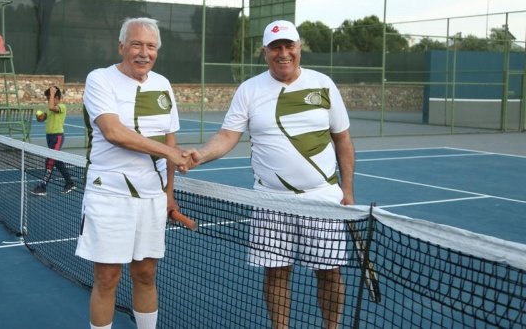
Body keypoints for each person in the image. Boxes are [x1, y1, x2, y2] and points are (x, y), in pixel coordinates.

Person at [185, 20, 355, 329]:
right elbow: (227, 136)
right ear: (265, 52)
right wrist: (201, 155)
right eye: (276, 47)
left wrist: (348, 191)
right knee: (276, 272)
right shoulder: (249, 90)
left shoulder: (323, 84)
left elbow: (342, 139)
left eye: (289, 46)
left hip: (322, 197)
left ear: (299, 48)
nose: (283, 53)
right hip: (270, 200)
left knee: (330, 273)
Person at [75, 17, 191, 329]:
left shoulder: (163, 84)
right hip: (109, 193)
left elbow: (170, 141)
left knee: (146, 274)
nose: (144, 52)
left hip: (153, 196)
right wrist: (169, 152)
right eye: (136, 44)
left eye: (151, 46)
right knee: (107, 277)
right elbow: (113, 132)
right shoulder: (100, 79)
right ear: (121, 47)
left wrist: (169, 196)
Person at [30, 85, 75, 196]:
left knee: (50, 161)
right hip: (49, 137)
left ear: (57, 97)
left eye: (49, 98)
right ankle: (70, 183)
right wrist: (39, 117)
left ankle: (43, 187)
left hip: (57, 137)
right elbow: (42, 119)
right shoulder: (49, 108)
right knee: (57, 161)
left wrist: (53, 93)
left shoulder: (62, 107)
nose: (48, 100)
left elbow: (51, 107)